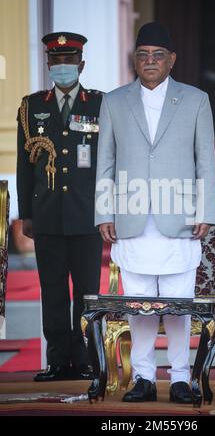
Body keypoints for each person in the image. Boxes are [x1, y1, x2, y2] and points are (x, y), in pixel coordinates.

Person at [95, 22, 215, 403]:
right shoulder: (114, 101)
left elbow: (205, 163)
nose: (150, 61)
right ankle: (143, 378)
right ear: (135, 60)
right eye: (143, 55)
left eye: (158, 55)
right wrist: (104, 213)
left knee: (180, 305)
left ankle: (181, 379)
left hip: (179, 219)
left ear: (172, 60)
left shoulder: (196, 100)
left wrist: (206, 211)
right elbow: (106, 163)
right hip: (131, 220)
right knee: (139, 305)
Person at [16, 32, 103, 381]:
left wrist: (107, 210)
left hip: (87, 216)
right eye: (56, 61)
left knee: (86, 293)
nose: (62, 67)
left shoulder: (98, 104)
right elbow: (25, 166)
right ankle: (56, 361)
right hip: (48, 215)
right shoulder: (31, 106)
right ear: (48, 65)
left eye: (69, 61)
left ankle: (83, 360)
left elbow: (107, 161)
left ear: (81, 65)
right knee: (52, 291)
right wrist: (26, 214)